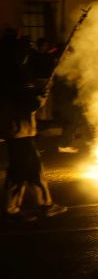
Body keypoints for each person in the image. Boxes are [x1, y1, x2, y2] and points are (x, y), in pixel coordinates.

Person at [1, 34, 66, 220]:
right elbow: (29, 104)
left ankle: (42, 205)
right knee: (23, 170)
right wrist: (42, 95)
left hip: (14, 129)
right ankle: (15, 209)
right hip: (20, 129)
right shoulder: (17, 73)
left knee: (28, 169)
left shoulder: (6, 71)